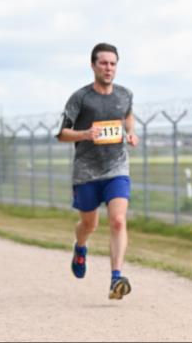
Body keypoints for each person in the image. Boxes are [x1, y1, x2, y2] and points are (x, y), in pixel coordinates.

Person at [56, 43, 139, 300]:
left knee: (118, 220)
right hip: (86, 172)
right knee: (89, 224)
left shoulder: (125, 94)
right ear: (93, 65)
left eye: (113, 63)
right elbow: (62, 134)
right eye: (103, 63)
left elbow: (127, 115)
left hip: (116, 167)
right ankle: (80, 247)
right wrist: (85, 134)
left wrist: (130, 131)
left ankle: (116, 278)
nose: (108, 68)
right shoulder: (80, 98)